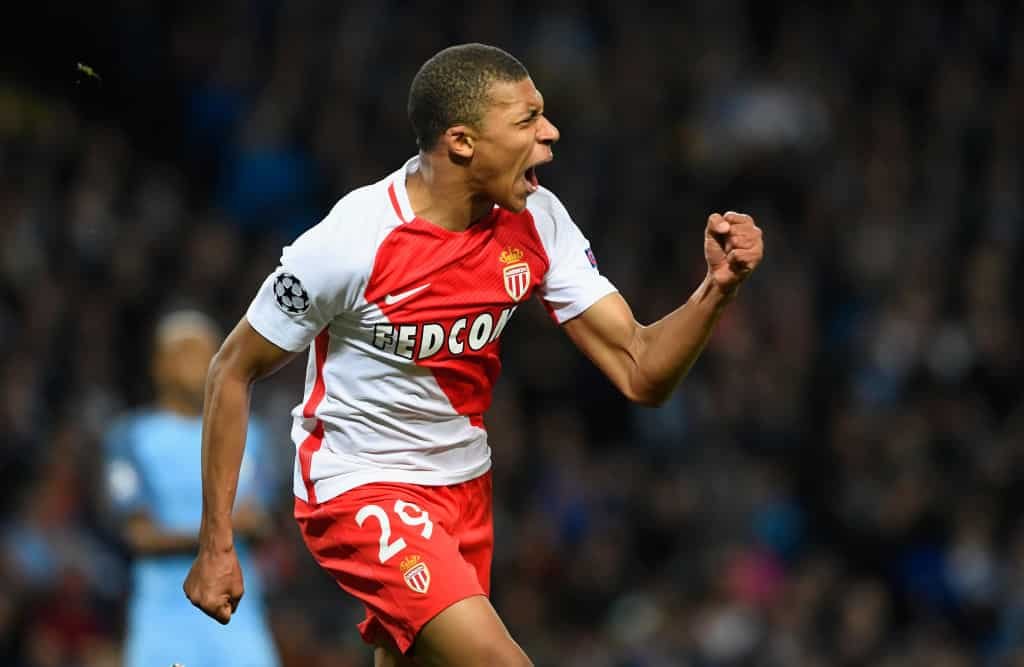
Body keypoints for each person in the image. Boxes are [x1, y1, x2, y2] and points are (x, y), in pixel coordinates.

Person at [183, 43, 763, 667]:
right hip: (361, 486)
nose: (550, 133)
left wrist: (717, 289)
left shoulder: (538, 218)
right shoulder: (352, 242)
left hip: (464, 488)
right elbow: (231, 369)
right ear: (462, 142)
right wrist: (216, 543)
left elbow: (640, 370)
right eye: (527, 119)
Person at [105, 310, 280, 667]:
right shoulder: (130, 438)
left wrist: (179, 535)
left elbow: (261, 522)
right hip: (162, 617)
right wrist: (222, 532)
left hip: (237, 615)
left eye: (208, 353)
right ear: (159, 365)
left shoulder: (252, 435)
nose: (198, 363)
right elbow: (140, 536)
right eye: (185, 352)